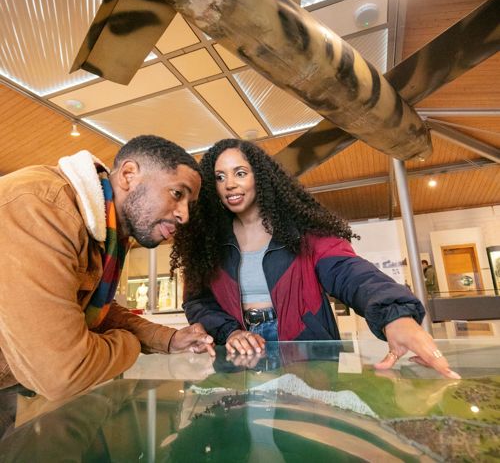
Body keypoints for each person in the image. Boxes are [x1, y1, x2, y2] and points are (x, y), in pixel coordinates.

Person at [171, 138, 460, 379]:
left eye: (240, 173)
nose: (229, 184)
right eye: (220, 177)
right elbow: (197, 301)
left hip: (305, 347)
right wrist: (230, 331)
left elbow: (349, 272)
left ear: (260, 176)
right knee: (248, 428)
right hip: (239, 347)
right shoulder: (207, 243)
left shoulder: (304, 232)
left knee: (303, 429)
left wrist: (394, 316)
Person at [0, 135, 214, 403]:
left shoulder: (108, 234)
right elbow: (64, 373)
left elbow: (90, 306)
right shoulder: (41, 207)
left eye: (189, 205)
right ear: (128, 174)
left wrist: (168, 340)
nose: (184, 215)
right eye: (177, 194)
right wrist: (130, 344)